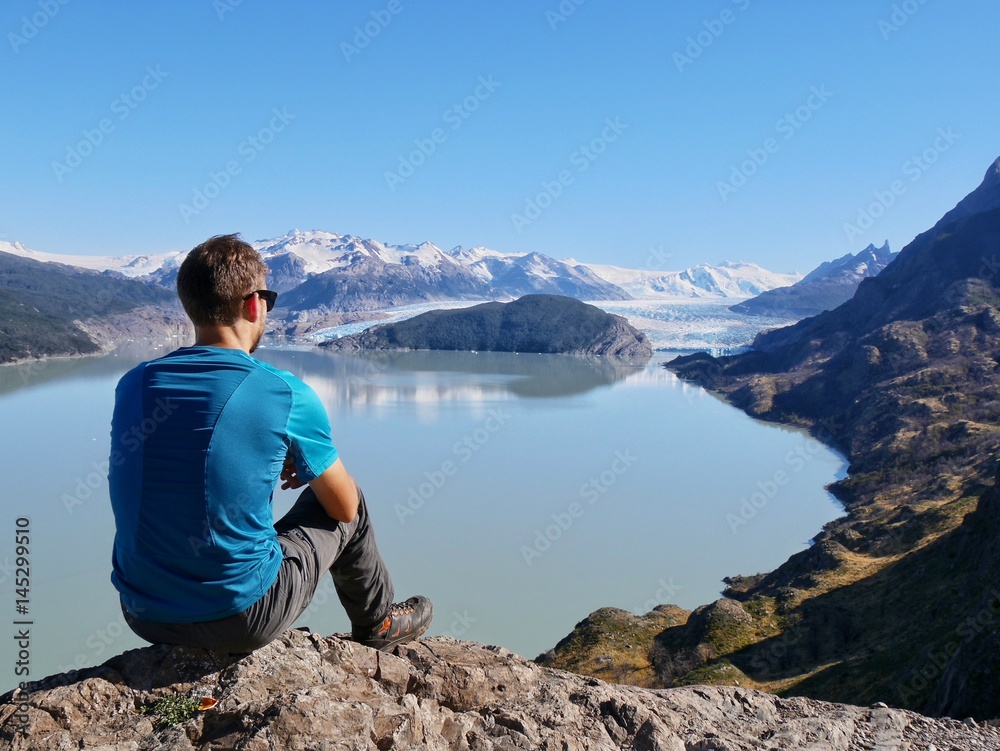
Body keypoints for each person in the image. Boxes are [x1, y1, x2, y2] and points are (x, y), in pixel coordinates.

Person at [107, 233, 431, 653]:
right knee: (351, 498)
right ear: (254, 303)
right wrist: (308, 463)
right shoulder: (284, 393)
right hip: (241, 618)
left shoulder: (133, 383)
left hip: (142, 613)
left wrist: (257, 454)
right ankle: (378, 622)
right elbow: (343, 509)